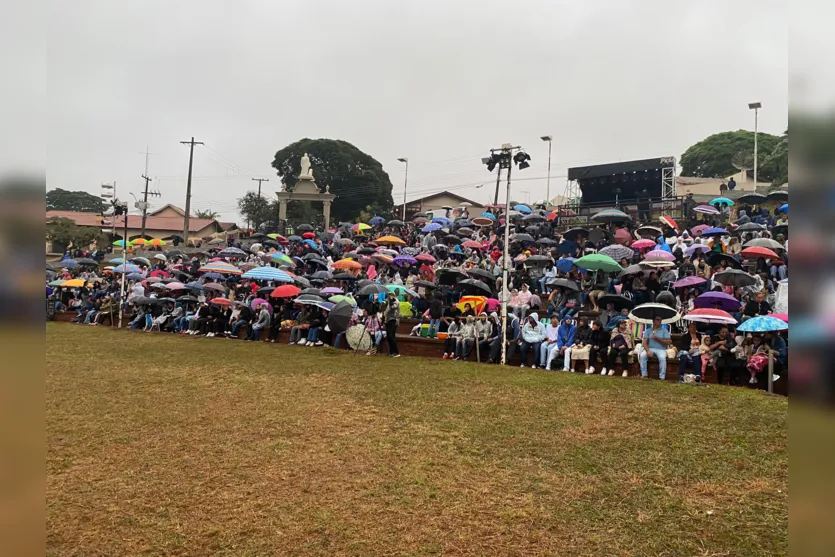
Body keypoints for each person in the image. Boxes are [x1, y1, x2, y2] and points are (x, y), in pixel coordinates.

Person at [639, 315, 672, 380]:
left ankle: (662, 377)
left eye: (660, 320)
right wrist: (648, 351)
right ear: (653, 321)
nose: (660, 321)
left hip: (661, 349)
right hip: (650, 348)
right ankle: (644, 375)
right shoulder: (648, 330)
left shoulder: (664, 330)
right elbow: (644, 343)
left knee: (662, 358)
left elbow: (668, 342)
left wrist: (657, 338)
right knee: (642, 355)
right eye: (658, 319)